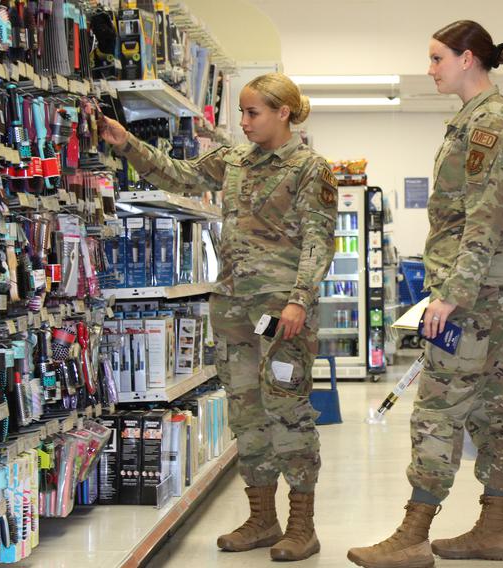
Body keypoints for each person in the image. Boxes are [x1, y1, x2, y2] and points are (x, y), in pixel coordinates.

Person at [98, 73, 337, 562]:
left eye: (254, 113)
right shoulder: (232, 161)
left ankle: (302, 525)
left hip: (281, 313)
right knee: (247, 412)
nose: (244, 122)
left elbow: (319, 240)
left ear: (283, 112)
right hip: (232, 307)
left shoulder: (310, 168)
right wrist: (128, 146)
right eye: (243, 112)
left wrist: (298, 299)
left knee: (287, 411)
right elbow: (179, 176)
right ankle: (262, 518)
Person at [348, 20, 503, 568]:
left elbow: (483, 217)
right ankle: (493, 530)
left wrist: (450, 295)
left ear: (468, 58)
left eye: (436, 59)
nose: (429, 70)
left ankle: (413, 534)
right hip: (496, 286)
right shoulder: (481, 120)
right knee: (493, 405)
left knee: (437, 406)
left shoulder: (488, 125)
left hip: (475, 291)